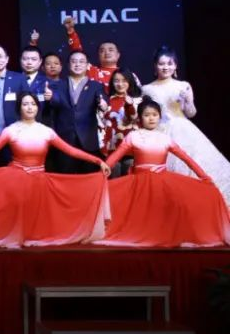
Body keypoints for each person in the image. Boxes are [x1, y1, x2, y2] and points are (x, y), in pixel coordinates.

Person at [0, 92, 111, 248]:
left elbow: (70, 150)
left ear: (38, 108)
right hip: (15, 179)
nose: (29, 107)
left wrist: (98, 161)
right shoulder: (10, 130)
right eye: (25, 104)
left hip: (40, 180)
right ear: (19, 108)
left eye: (33, 104)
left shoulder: (46, 131)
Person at [96, 99, 230, 247]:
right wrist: (104, 168)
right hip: (140, 183)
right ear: (140, 118)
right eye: (147, 115)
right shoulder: (133, 136)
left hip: (162, 182)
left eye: (155, 115)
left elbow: (187, 159)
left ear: (159, 117)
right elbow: (116, 156)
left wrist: (204, 176)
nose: (151, 118)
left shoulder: (165, 139)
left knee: (171, 210)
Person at [142, 47, 230, 205]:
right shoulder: (147, 89)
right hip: (159, 132)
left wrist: (188, 101)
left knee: (194, 165)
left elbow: (191, 113)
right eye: (161, 64)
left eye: (170, 63)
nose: (166, 67)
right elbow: (146, 113)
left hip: (183, 129)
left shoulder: (183, 85)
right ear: (155, 66)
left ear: (175, 66)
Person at [45, 51, 108, 174]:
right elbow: (55, 102)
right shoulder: (58, 85)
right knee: (65, 176)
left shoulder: (96, 86)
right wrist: (50, 98)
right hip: (64, 139)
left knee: (88, 178)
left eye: (81, 62)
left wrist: (103, 104)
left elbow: (102, 101)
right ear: (68, 65)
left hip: (88, 139)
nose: (77, 64)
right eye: (74, 61)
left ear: (87, 65)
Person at [102, 69, 143, 173]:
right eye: (116, 81)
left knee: (130, 179)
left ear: (130, 82)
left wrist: (129, 105)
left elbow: (135, 119)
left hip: (131, 148)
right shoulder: (107, 100)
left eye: (124, 81)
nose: (120, 84)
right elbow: (102, 124)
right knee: (113, 179)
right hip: (111, 148)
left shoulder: (139, 101)